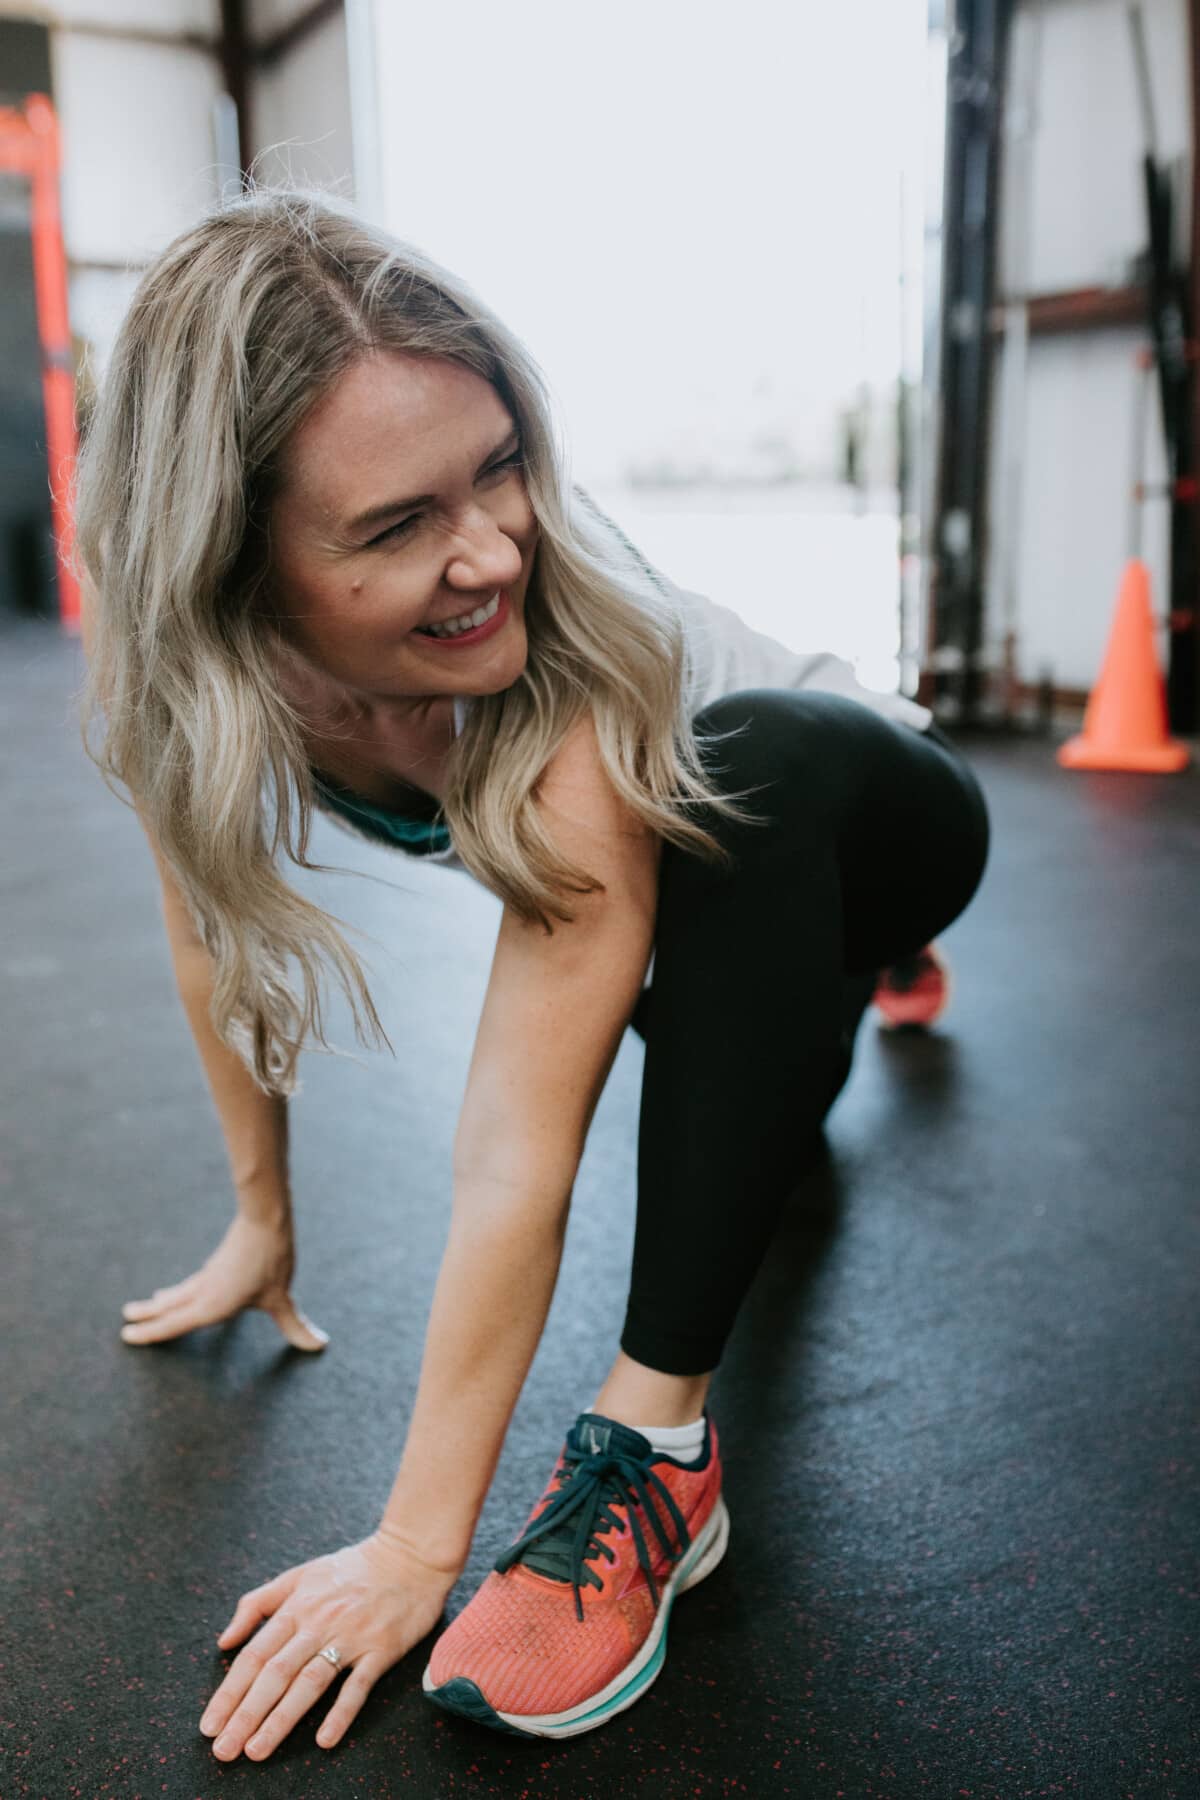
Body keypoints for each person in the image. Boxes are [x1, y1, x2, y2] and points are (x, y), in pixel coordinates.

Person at [74, 186, 991, 1754]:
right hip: (706, 889)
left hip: (871, 800)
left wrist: (419, 1547)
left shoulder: (562, 659)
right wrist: (259, 1217)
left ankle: (657, 1457)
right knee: (764, 1068)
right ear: (233, 571)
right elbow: (211, 933)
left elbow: (514, 1148)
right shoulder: (189, 683)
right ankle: (828, 988)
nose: (494, 543)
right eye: (397, 525)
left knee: (745, 767)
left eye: (499, 465)